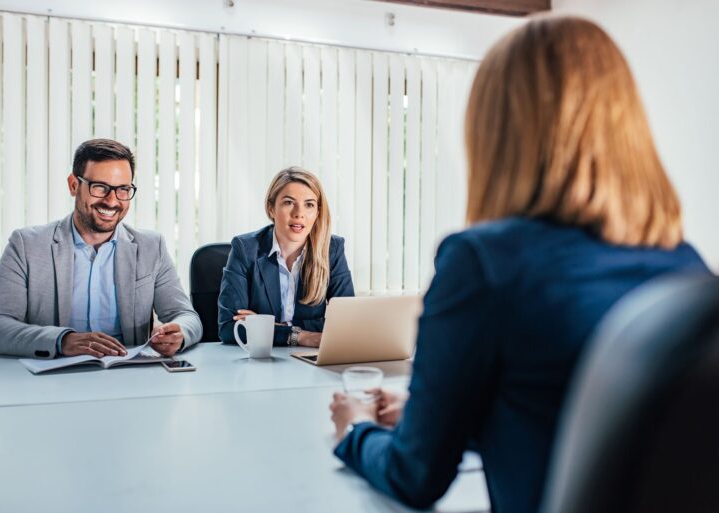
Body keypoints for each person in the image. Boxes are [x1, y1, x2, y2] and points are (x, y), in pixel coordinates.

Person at [329, 16, 711, 513]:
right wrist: (447, 419)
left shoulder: (483, 263)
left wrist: (354, 430)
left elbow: (414, 475)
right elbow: (584, 430)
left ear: (495, 132)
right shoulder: (686, 266)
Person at [0, 138, 202, 359]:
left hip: (128, 379)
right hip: (52, 380)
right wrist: (62, 340)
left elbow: (186, 316)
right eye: (100, 187)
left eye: (123, 189)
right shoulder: (27, 245)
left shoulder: (151, 247)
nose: (112, 201)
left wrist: (179, 333)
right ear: (74, 185)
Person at [218, 167, 354, 347]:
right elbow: (229, 327)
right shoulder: (245, 249)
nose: (299, 213)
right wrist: (301, 336)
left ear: (318, 212)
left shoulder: (332, 250)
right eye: (289, 202)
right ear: (271, 208)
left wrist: (265, 326)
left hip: (311, 361)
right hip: (260, 361)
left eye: (309, 204)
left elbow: (347, 325)